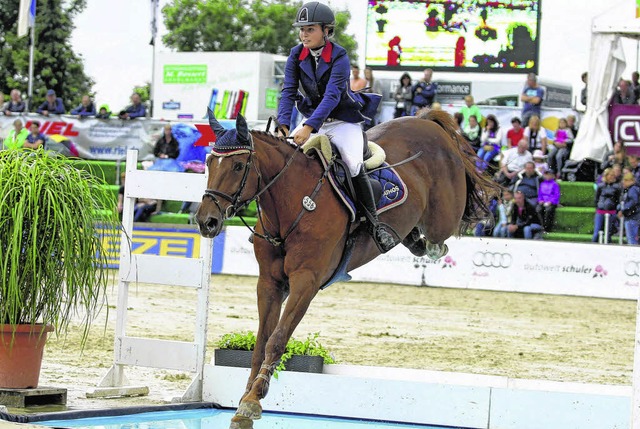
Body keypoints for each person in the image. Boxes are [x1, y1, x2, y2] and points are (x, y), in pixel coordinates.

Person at [277, 1, 394, 253]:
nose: (304, 34)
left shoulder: (339, 56)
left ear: (326, 30)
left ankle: (375, 225)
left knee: (353, 164)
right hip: (312, 120)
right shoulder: (296, 54)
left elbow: (332, 96)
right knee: (286, 162)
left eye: (310, 29)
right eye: (302, 29)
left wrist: (308, 127)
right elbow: (287, 91)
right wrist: (283, 124)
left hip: (343, 121)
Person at [593, 168, 622, 243]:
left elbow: (618, 199)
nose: (611, 177)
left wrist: (616, 209)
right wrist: (598, 206)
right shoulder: (600, 186)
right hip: (600, 210)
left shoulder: (617, 187)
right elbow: (596, 198)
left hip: (611, 211)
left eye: (613, 175)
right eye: (610, 175)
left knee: (608, 232)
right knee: (597, 232)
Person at [619, 172, 640, 245]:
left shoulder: (632, 189)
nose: (623, 182)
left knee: (632, 239)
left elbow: (633, 201)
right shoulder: (634, 189)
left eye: (625, 180)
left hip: (632, 217)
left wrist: (623, 210)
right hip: (634, 216)